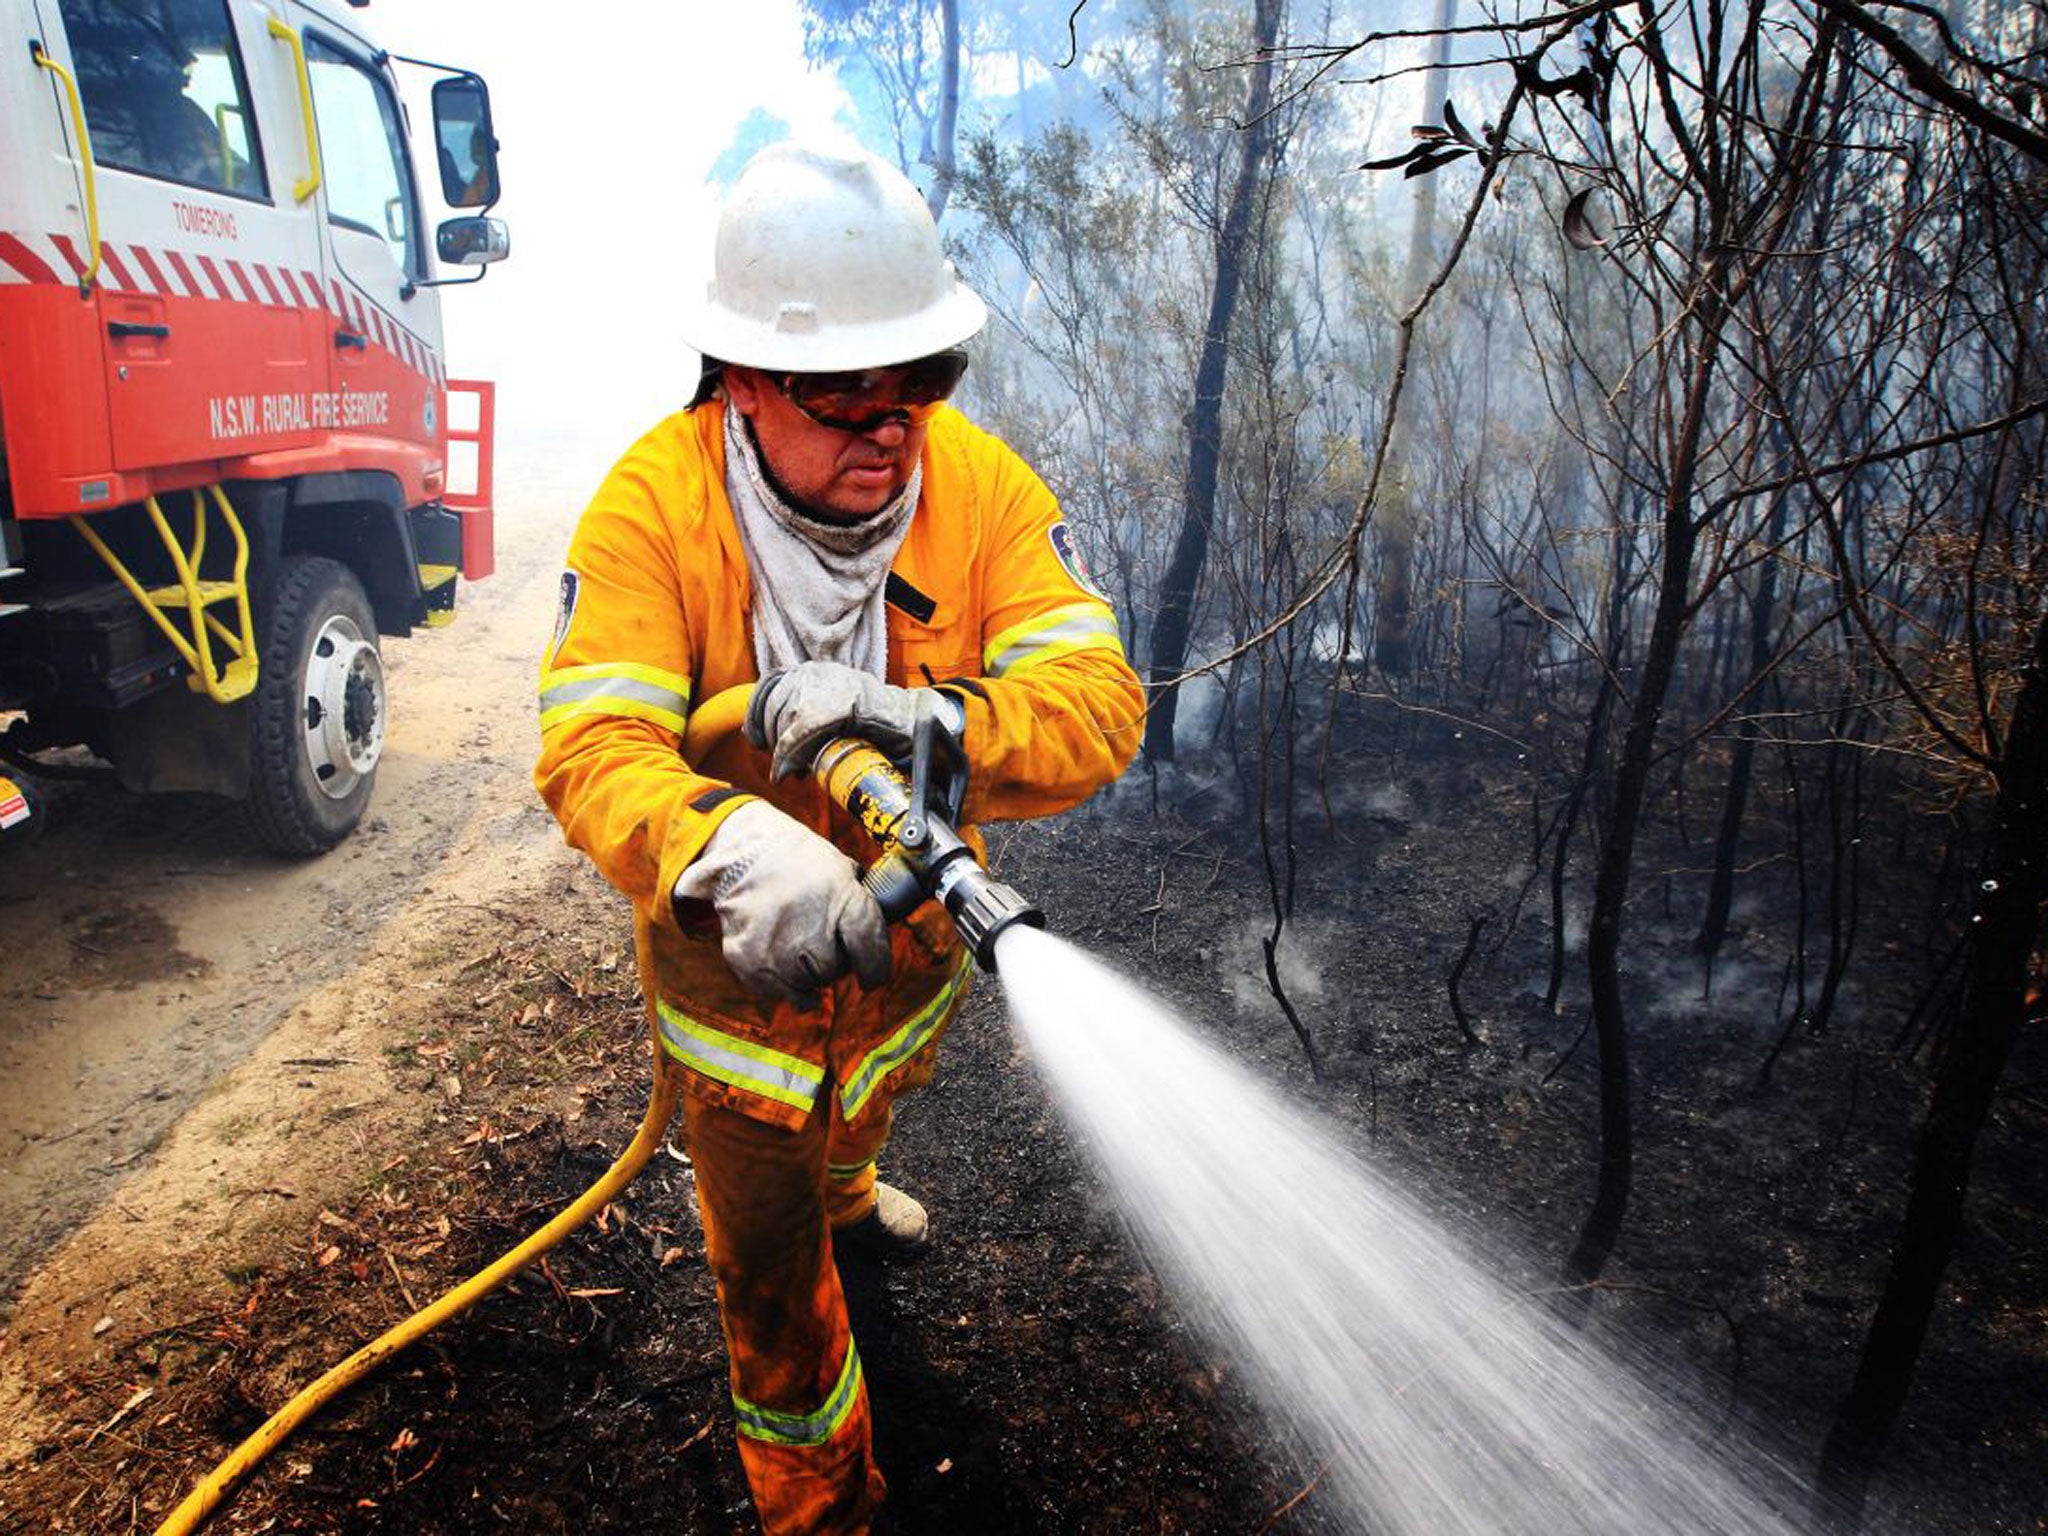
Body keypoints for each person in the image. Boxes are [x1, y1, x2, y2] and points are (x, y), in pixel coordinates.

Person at [534, 142, 1143, 1534]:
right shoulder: (655, 508)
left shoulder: (979, 488)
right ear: (743, 378)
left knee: (865, 1101)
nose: (892, 431)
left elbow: (1100, 701)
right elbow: (591, 744)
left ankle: (855, 1183)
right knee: (773, 1292)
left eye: (922, 383)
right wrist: (725, 848)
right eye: (843, 396)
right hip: (735, 997)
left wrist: (935, 719)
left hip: (912, 942)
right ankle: (819, 1505)